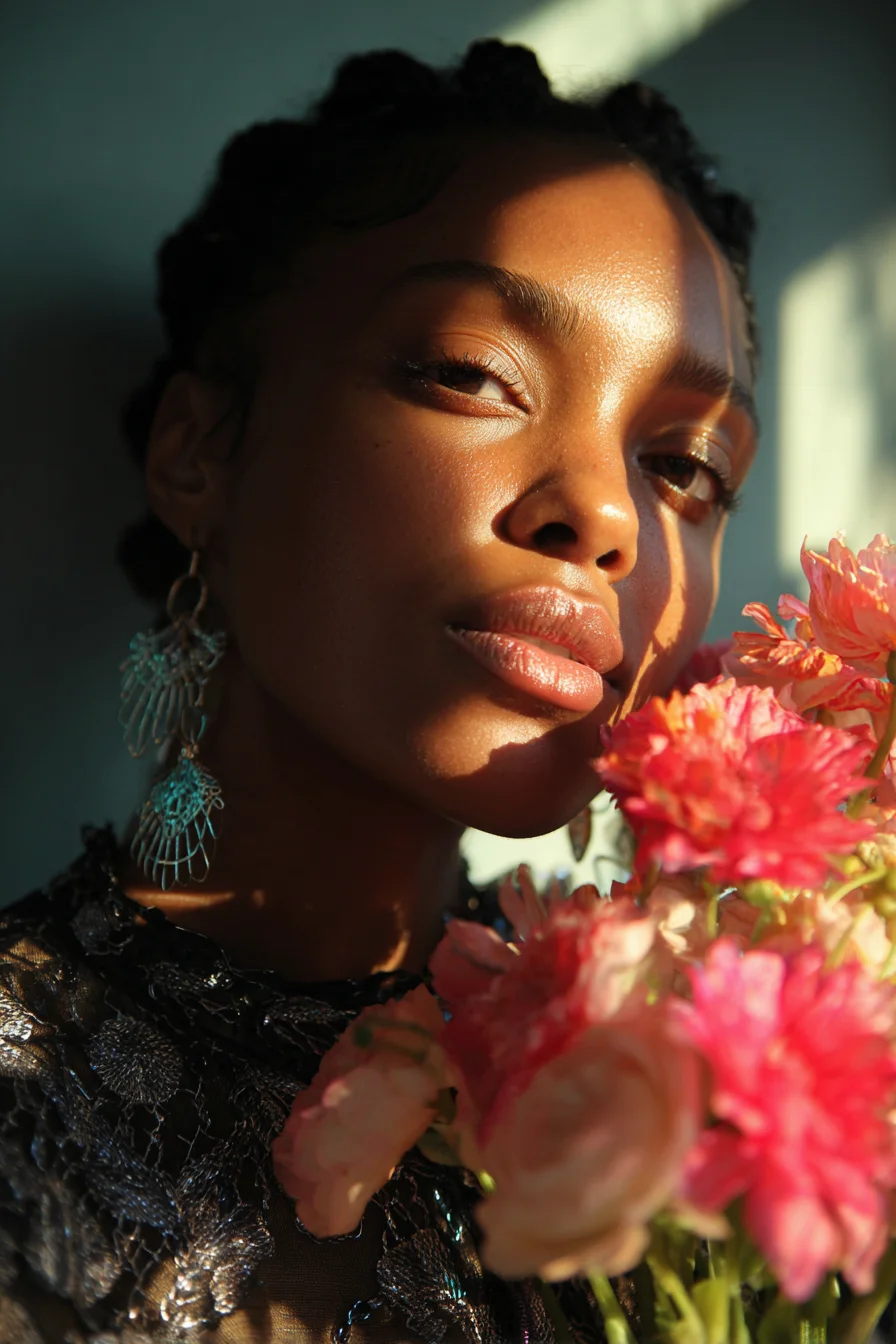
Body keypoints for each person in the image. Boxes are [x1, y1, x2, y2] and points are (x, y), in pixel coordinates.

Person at [0, 38, 758, 1344]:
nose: (603, 517)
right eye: (471, 374)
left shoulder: (698, 1127)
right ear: (200, 453)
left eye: (684, 466)